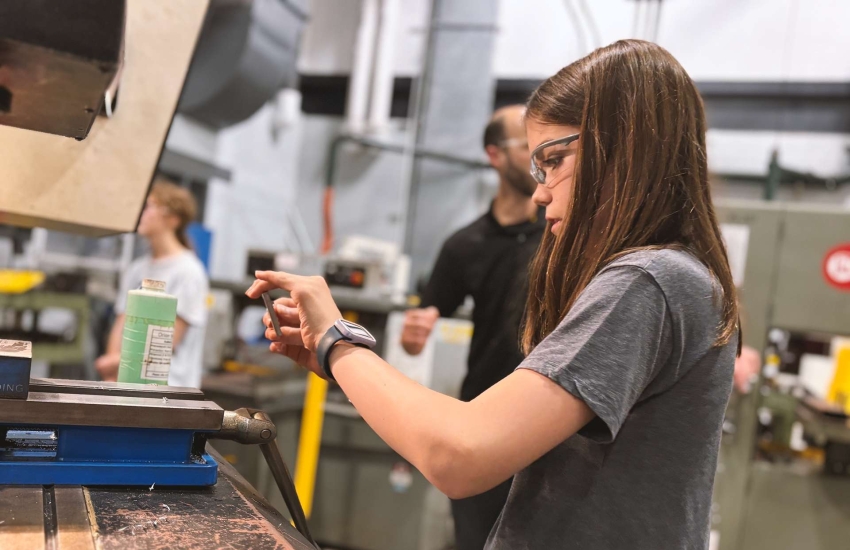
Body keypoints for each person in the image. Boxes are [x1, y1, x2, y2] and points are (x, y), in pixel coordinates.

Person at [248, 39, 740, 549]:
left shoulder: (647, 281)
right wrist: (341, 356)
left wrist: (337, 342)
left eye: (555, 160)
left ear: (626, 148)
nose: (540, 192)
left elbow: (459, 455)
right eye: (537, 168)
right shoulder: (678, 278)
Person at [401, 104, 545, 549]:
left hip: (549, 424)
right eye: (528, 147)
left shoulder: (562, 235)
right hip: (483, 419)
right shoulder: (464, 245)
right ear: (494, 156)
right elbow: (420, 325)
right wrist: (412, 336)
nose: (539, 159)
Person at [95, 178, 209, 388]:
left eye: (149, 207)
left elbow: (164, 344)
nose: (141, 213)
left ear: (173, 219)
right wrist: (114, 376)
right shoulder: (137, 269)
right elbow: (122, 322)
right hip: (128, 383)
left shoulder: (189, 272)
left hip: (170, 392)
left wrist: (114, 363)